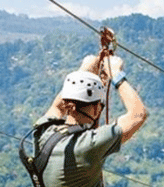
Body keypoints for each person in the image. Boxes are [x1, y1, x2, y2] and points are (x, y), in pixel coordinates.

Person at [27, 55, 148, 187]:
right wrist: (116, 74)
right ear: (96, 108)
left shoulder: (43, 131)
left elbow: (57, 106)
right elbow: (138, 115)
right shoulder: (90, 144)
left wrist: (84, 70)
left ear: (67, 102)